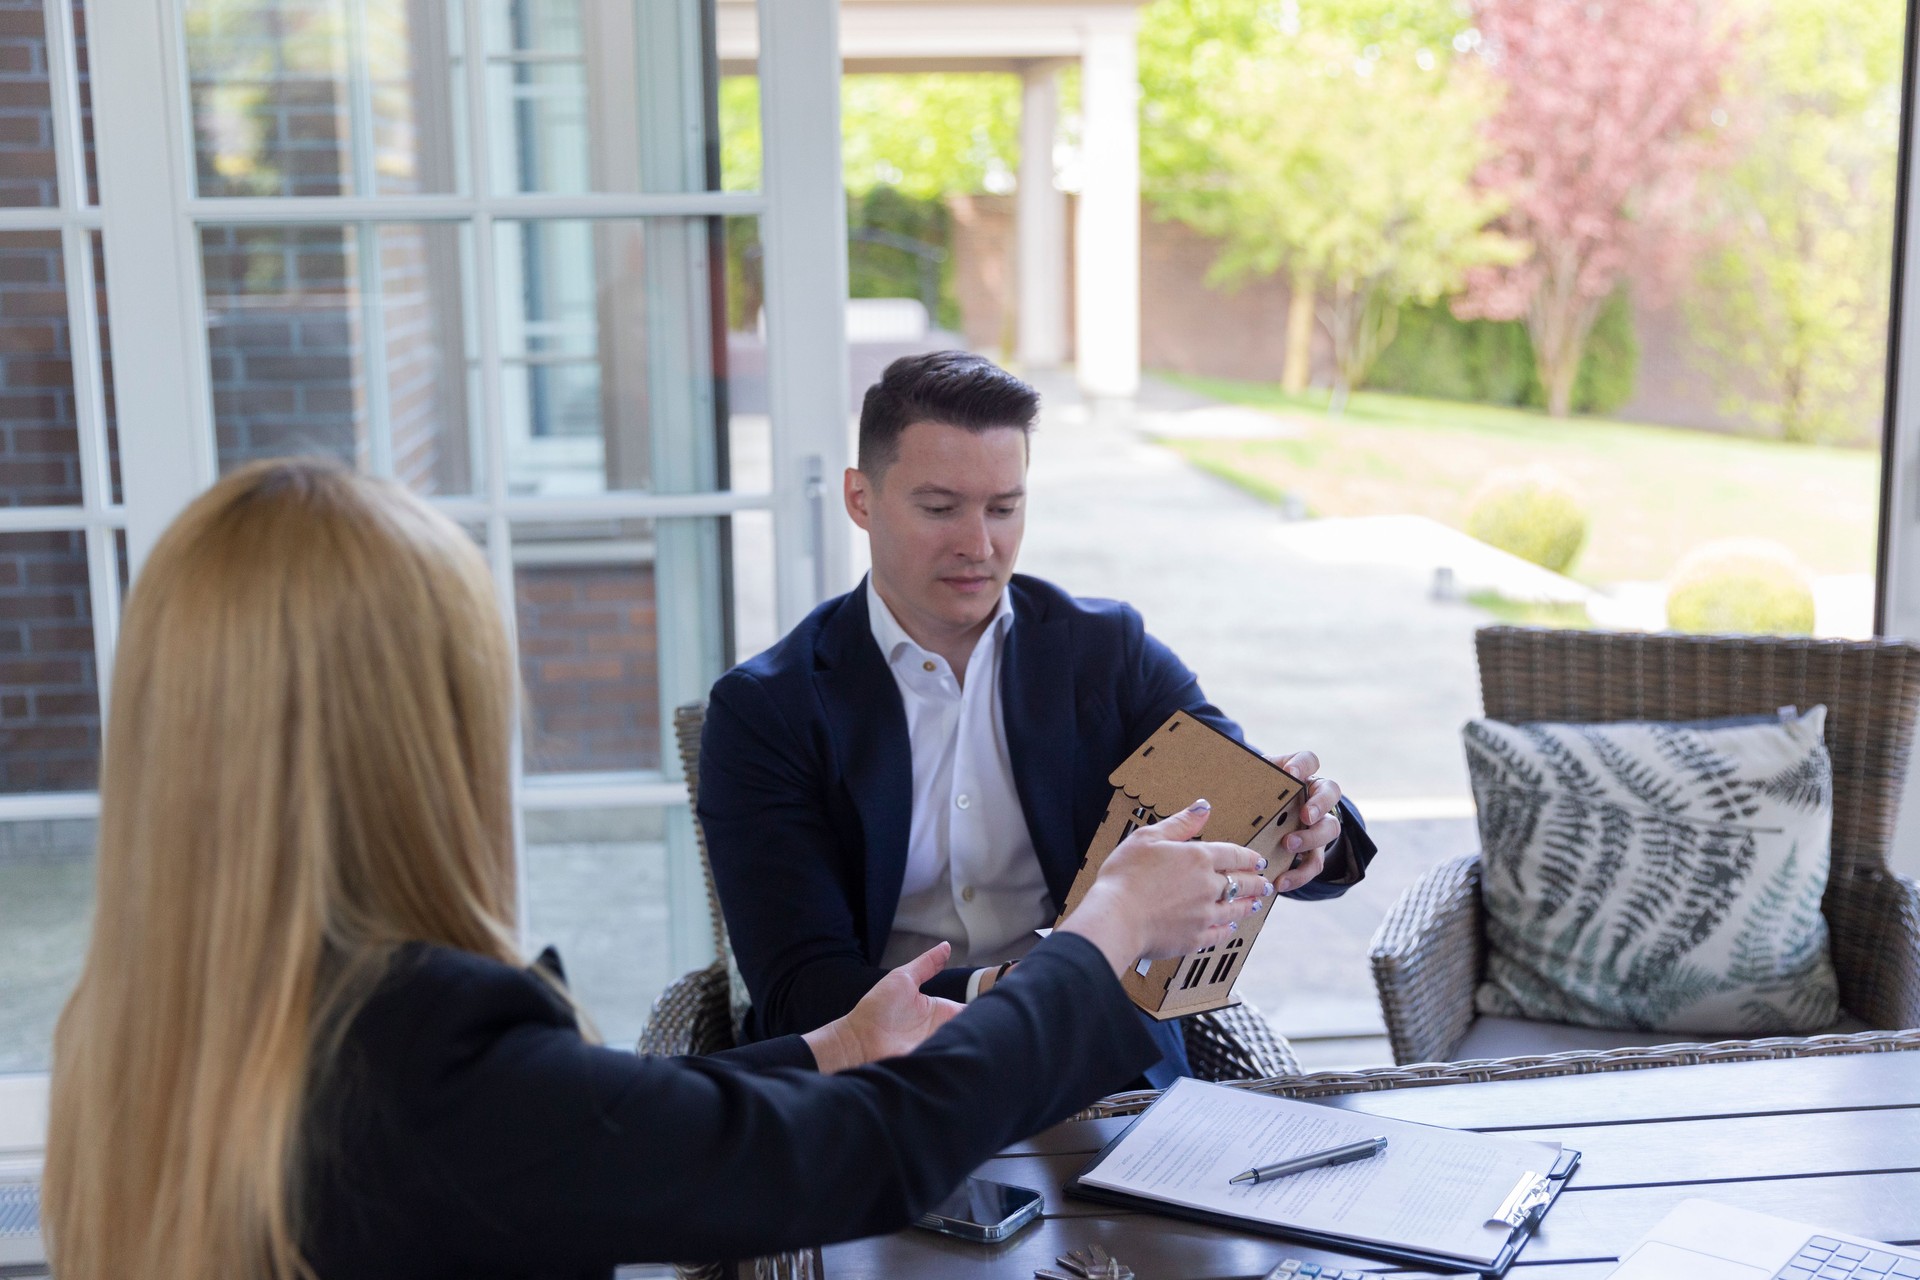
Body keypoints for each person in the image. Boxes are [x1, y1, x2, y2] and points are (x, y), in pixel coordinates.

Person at [41, 458, 1276, 1280]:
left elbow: (589, 1124)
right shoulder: (422, 1041)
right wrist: (1099, 934)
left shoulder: (148, 1022)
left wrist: (827, 1048)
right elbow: (874, 1152)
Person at [700, 351, 1379, 1084]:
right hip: (875, 1075)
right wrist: (1014, 993)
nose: (979, 544)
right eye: (939, 508)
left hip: (1093, 1056)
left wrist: (1306, 830)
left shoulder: (1104, 655)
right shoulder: (767, 710)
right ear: (860, 499)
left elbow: (1238, 810)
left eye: (1003, 507)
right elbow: (801, 991)